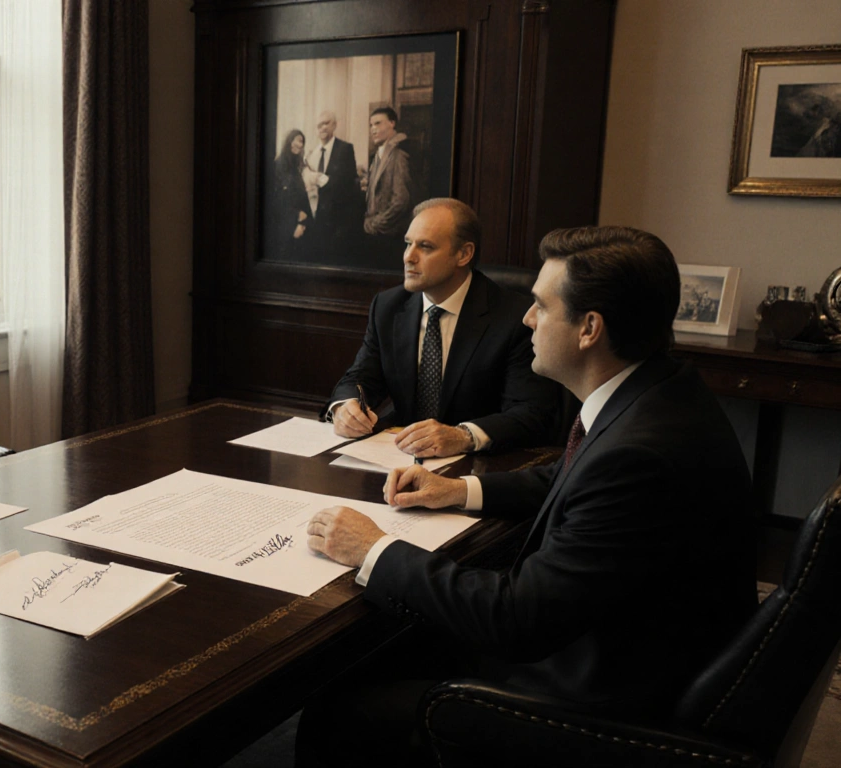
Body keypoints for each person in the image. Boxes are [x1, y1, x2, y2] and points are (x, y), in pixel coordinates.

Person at [299, 226, 756, 766]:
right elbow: (571, 476)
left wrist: (370, 547)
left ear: (590, 328)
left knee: (338, 707)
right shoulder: (658, 393)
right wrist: (460, 488)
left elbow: (516, 621)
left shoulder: (638, 455)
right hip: (633, 644)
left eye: (541, 305)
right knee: (387, 647)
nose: (527, 318)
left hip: (604, 700)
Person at [326, 197, 557, 458]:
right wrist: (345, 406)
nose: (408, 257)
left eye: (425, 246)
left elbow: (530, 413)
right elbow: (360, 377)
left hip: (480, 465)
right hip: (397, 456)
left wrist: (464, 435)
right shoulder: (389, 306)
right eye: (407, 244)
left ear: (464, 254)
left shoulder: (516, 317)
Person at [303, 110, 363, 259]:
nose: (322, 128)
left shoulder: (345, 148)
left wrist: (321, 180)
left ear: (334, 125)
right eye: (319, 125)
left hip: (338, 219)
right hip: (317, 218)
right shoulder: (311, 154)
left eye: (326, 123)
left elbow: (349, 182)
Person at [362, 106, 415, 265]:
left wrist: (375, 223)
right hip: (376, 236)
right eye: (371, 125)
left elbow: (401, 201)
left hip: (389, 236)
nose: (373, 129)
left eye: (378, 123)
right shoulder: (379, 155)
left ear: (392, 123)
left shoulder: (398, 155)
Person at [267, 128, 313, 261]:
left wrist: (302, 222)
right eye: (297, 140)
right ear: (289, 141)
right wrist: (296, 217)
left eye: (302, 142)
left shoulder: (297, 167)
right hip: (285, 225)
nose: (300, 144)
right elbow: (275, 200)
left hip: (300, 224)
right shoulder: (277, 166)